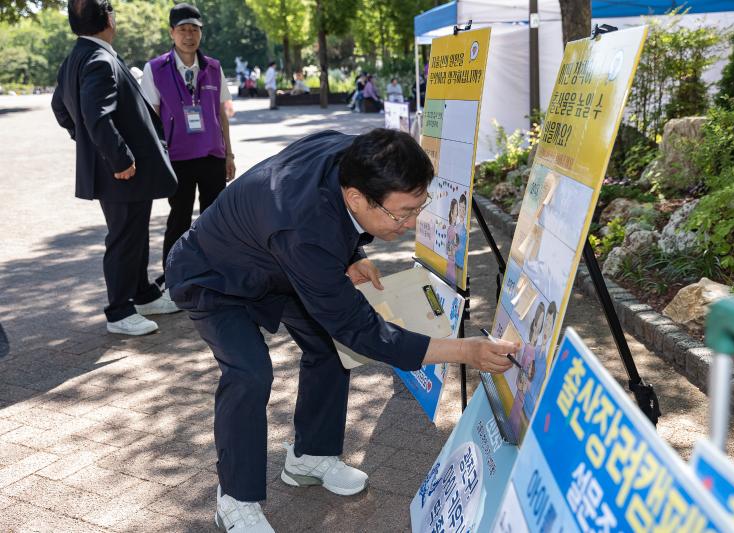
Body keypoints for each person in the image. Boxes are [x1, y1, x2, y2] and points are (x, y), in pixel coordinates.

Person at [165, 128, 517, 532]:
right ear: (357, 197)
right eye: (401, 213)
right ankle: (235, 498)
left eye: (419, 207)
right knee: (249, 372)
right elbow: (361, 330)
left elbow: (331, 217)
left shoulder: (354, 153)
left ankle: (310, 456)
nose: (410, 223)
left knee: (329, 349)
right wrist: (465, 352)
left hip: (279, 263)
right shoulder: (304, 231)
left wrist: (353, 252)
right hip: (214, 275)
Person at [52, 0, 179, 336]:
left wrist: (90, 144)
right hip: (123, 170)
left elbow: (60, 109)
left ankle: (144, 295)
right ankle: (119, 311)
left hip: (120, 169)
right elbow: (96, 116)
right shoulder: (98, 58)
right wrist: (118, 157)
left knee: (132, 233)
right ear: (108, 18)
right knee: (124, 237)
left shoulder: (76, 57)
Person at [140, 2, 235, 289]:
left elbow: (222, 114)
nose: (189, 35)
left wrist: (229, 153)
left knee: (215, 218)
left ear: (201, 33)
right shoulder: (155, 69)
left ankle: (217, 271)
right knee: (178, 219)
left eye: (194, 29)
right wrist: (156, 159)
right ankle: (173, 276)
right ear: (172, 33)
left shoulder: (213, 68)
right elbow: (150, 118)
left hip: (211, 156)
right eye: (183, 29)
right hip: (177, 158)